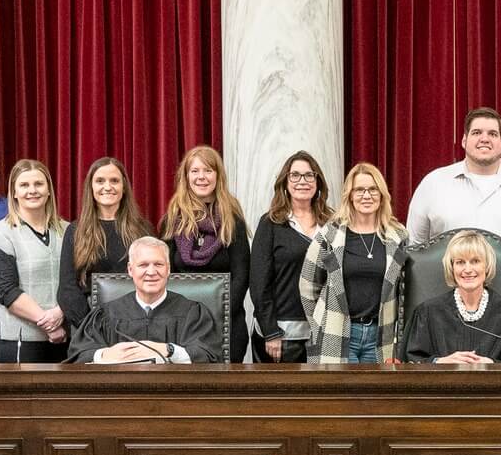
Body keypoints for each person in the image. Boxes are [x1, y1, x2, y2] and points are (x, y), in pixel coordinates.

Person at [300, 162, 411, 365]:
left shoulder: (398, 237)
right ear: (350, 195)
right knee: (339, 396)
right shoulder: (330, 235)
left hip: (380, 336)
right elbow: (308, 284)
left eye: (372, 189)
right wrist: (319, 322)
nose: (366, 196)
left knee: (374, 396)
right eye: (359, 190)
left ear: (382, 194)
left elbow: (404, 291)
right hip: (337, 332)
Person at [405, 107, 501, 247]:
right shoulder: (433, 183)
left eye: (493, 134)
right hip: (444, 275)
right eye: (476, 133)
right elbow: (415, 244)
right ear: (464, 141)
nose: (484, 139)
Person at [160, 145, 251, 364]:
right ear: (186, 176)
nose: (202, 176)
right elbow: (164, 272)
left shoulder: (232, 220)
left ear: (218, 176)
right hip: (181, 323)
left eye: (208, 170)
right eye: (195, 171)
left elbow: (241, 275)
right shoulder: (172, 220)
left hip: (226, 322)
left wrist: (222, 313)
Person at [67, 236, 221, 365]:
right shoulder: (107, 314)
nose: (151, 272)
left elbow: (208, 356)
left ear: (168, 269)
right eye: (143, 265)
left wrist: (169, 350)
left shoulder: (192, 313)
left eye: (158, 264)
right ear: (130, 269)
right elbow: (79, 355)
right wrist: (105, 354)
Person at [403, 229, 501, 364]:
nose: (467, 270)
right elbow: (410, 364)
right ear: (452, 267)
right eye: (460, 262)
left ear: (486, 266)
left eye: (475, 261)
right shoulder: (427, 313)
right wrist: (439, 362)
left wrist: (492, 366)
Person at [0, 158, 70, 363]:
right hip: (19, 340)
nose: (32, 190)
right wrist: (49, 324)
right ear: (14, 192)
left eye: (39, 184)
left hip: (66, 335)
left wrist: (60, 313)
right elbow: (7, 291)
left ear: (49, 190)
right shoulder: (1, 234)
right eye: (24, 185)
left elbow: (77, 282)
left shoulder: (68, 231)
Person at [249, 151, 331, 364]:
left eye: (309, 175)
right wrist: (270, 331)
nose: (302, 181)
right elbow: (259, 282)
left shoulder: (332, 224)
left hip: (324, 332)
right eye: (295, 175)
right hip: (281, 336)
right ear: (285, 182)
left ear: (318, 182)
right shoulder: (271, 223)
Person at [58, 157, 153, 328]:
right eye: (100, 181)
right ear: (91, 187)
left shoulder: (143, 229)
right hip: (87, 325)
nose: (107, 187)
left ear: (124, 187)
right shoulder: (75, 230)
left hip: (136, 324)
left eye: (114, 181)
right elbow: (67, 289)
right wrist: (90, 327)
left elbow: (154, 279)